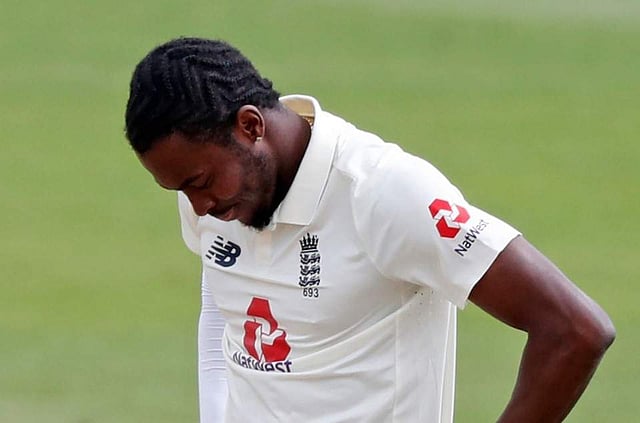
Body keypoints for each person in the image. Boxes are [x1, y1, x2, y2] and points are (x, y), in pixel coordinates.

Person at [124, 37, 615, 422]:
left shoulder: (384, 193)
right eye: (180, 191)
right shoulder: (218, 198)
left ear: (250, 126)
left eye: (199, 183)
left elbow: (574, 330)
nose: (200, 208)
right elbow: (225, 302)